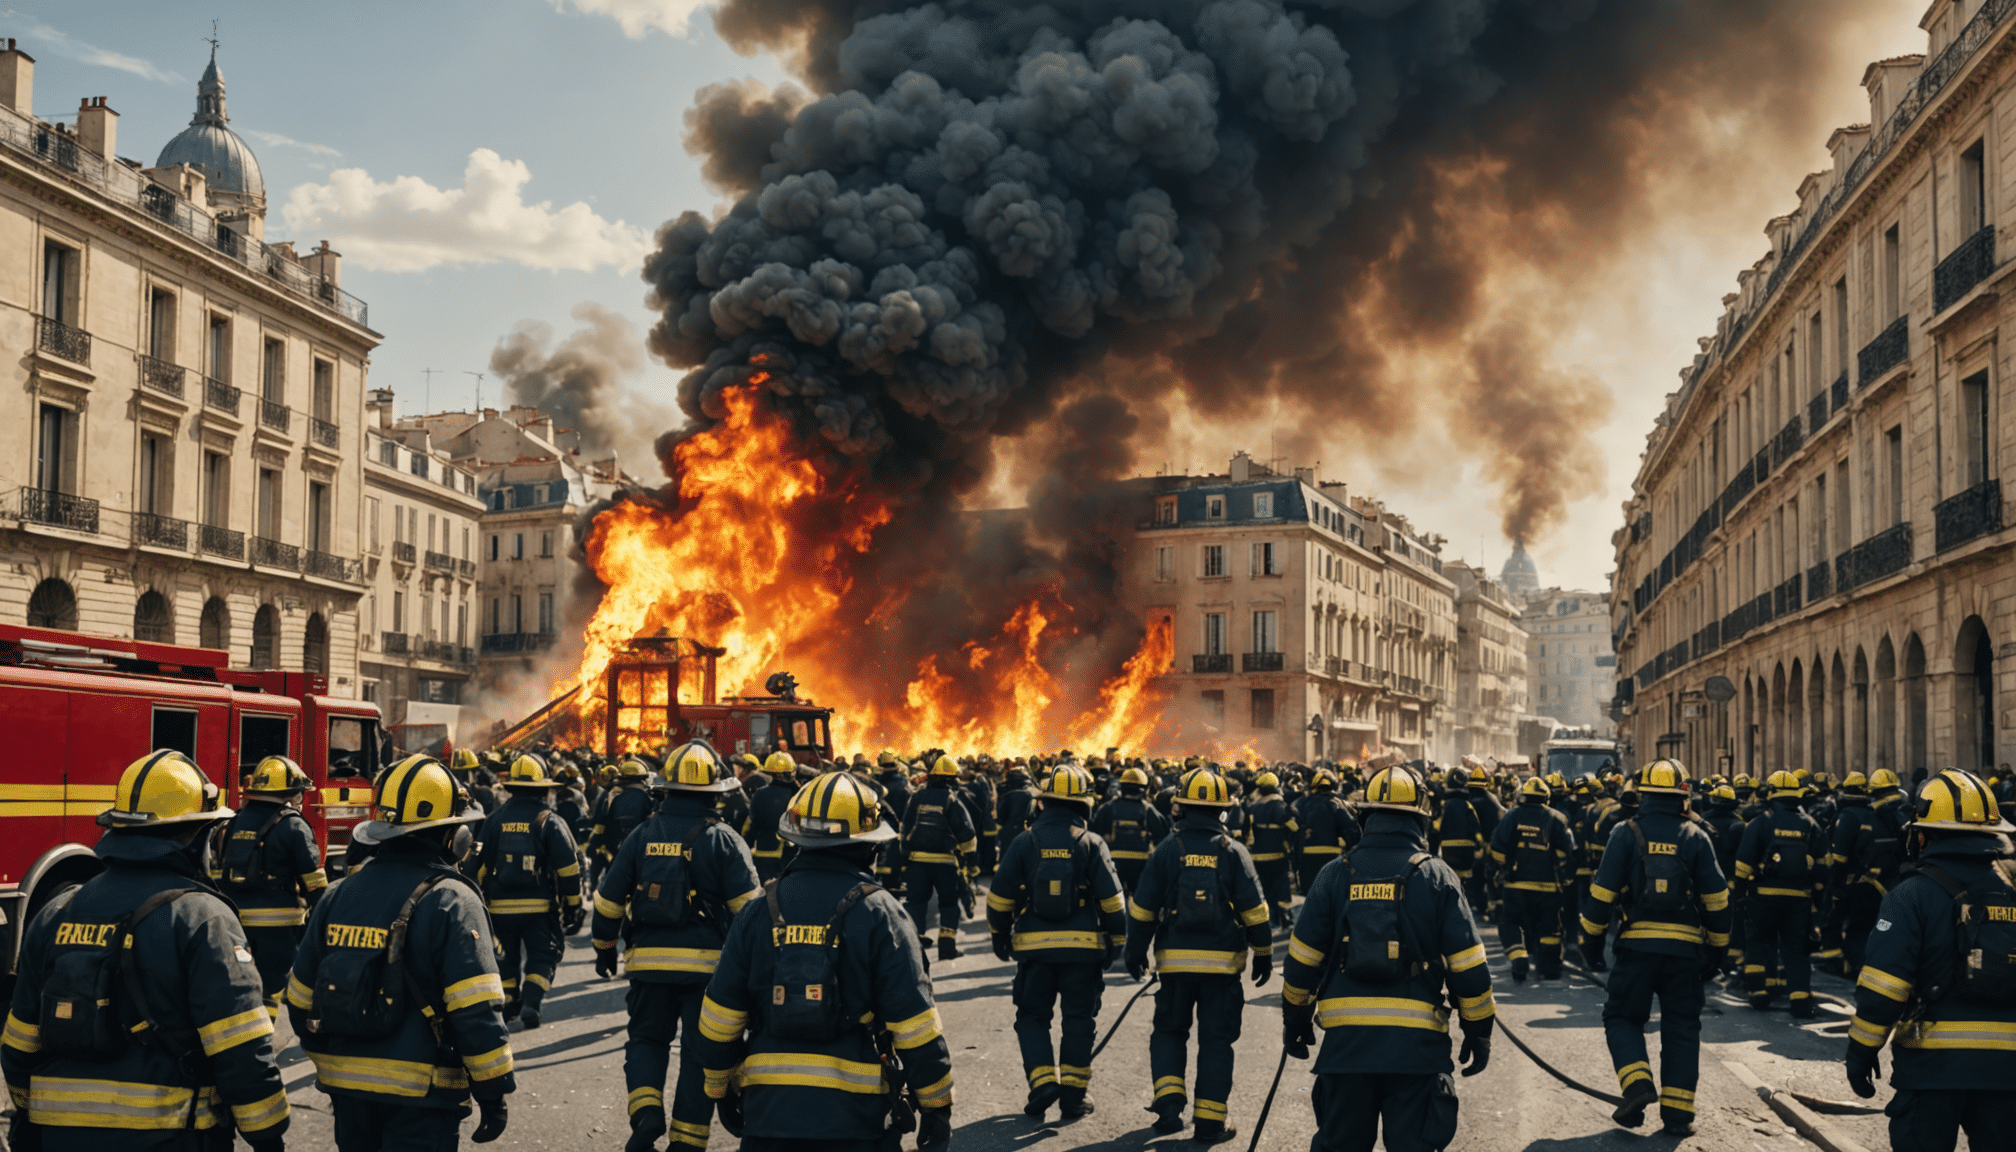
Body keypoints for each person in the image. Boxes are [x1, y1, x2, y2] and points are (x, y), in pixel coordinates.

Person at [2, 750, 291, 1152]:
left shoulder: (57, 911)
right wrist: (268, 1138)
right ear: (195, 837)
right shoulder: (203, 917)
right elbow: (240, 1048)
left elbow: (18, 1045)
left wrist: (31, 1121)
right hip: (172, 1139)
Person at [693, 772, 954, 1152]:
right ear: (869, 846)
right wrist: (936, 1105)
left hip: (769, 1118)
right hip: (858, 1123)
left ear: (795, 839)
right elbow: (914, 1025)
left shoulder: (757, 911)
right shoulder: (882, 913)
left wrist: (719, 1089)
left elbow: (720, 1018)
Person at [287, 754, 514, 1149]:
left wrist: (333, 1060)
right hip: (422, 1098)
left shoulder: (338, 894)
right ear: (452, 836)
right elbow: (476, 1010)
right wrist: (493, 1092)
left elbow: (300, 999)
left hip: (347, 1092)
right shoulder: (453, 899)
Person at [1282, 764, 1495, 1152]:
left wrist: (1295, 1018)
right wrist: (1479, 1030)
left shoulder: (1333, 875)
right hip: (1417, 1055)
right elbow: (1468, 967)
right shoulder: (1438, 876)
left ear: (1364, 816)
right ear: (1420, 819)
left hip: (1346, 1052)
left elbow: (1302, 961)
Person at [592, 740, 762, 1152]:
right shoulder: (723, 839)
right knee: (700, 1053)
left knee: (646, 1041)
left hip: (648, 967)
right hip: (708, 973)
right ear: (713, 794)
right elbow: (749, 914)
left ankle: (646, 1113)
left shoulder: (642, 834)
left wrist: (604, 947)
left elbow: (609, 899)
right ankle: (687, 1141)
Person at [1842, 768, 2016, 1151]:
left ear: (1923, 835)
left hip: (1931, 1070)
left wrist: (1861, 1052)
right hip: (2009, 1075)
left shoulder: (1912, 895)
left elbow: (1883, 989)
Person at [1579, 759, 1731, 1136]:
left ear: (1643, 795)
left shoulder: (1625, 832)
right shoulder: (1696, 836)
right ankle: (1678, 1117)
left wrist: (1591, 945)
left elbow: (1601, 896)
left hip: (1636, 949)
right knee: (1681, 1027)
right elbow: (1717, 901)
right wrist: (1717, 951)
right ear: (1683, 796)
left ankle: (1636, 1086)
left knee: (1622, 1017)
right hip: (1685, 953)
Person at [1124, 769, 1273, 1144]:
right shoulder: (1234, 852)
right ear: (1224, 810)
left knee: (1169, 1032)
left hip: (1174, 966)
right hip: (1222, 969)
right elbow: (1255, 912)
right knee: (1216, 1042)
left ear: (1181, 808)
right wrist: (1263, 952)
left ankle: (1169, 1104)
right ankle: (1210, 1121)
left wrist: (1134, 951)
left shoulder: (1166, 850)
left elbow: (1142, 909)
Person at [987, 764, 1128, 1119]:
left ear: (1044, 801)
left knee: (1032, 1016)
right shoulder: (1091, 842)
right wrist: (1117, 941)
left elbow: (1000, 897)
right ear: (1085, 804)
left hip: (1035, 953)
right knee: (1078, 1019)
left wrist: (999, 935)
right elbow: (1113, 902)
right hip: (1083, 951)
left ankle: (1042, 1082)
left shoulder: (1025, 841)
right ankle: (1074, 1097)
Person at [473, 753, 585, 1028]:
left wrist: (479, 905)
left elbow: (478, 867)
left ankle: (509, 1005)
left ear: (511, 788)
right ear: (544, 789)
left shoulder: (495, 819)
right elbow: (568, 869)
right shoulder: (549, 820)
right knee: (544, 955)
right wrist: (573, 905)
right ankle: (531, 1003)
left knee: (506, 958)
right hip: (539, 908)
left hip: (499, 908)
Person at [216, 754, 328, 1021]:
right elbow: (314, 882)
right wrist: (322, 920)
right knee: (271, 989)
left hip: (234, 924)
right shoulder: (293, 824)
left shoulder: (233, 821)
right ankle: (262, 1037)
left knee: (238, 984)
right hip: (278, 928)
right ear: (293, 793)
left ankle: (238, 1035)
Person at [1734, 771, 1823, 1017]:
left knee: (1759, 943)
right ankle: (1800, 1000)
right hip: (1799, 900)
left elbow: (1742, 864)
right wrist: (1817, 899)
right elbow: (1823, 865)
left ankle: (1759, 992)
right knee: (1796, 949)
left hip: (1763, 896)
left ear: (1770, 794)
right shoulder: (1810, 824)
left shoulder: (1760, 822)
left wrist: (1740, 895)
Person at [1487, 776, 1575, 982]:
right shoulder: (1557, 818)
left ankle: (1519, 958)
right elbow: (1568, 852)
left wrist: (1504, 867)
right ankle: (1549, 968)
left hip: (1515, 885)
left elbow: (1497, 848)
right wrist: (1565, 880)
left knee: (1510, 923)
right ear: (1546, 798)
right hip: (1548, 887)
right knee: (1549, 928)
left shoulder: (1512, 816)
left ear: (1523, 796)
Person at [900, 755, 979, 962]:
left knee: (916, 902)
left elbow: (905, 827)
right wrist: (971, 861)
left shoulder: (916, 797)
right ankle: (947, 947)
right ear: (950, 779)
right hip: (944, 863)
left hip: (917, 862)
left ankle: (914, 944)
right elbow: (966, 832)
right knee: (949, 904)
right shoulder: (951, 799)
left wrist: (905, 856)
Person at [1090, 767, 1169, 896]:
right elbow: (1163, 836)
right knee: (1139, 898)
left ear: (1122, 786)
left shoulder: (1108, 808)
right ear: (1144, 788)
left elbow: (1094, 833)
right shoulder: (1149, 810)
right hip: (1141, 865)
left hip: (1113, 863)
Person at [1242, 771, 1299, 929]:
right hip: (1277, 855)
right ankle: (1285, 919)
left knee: (1265, 889)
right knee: (1281, 888)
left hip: (1257, 857)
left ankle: (1269, 920)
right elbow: (1292, 827)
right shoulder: (1278, 804)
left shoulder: (1253, 806)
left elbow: (1245, 831)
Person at [1294, 770, 1361, 893]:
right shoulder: (1338, 803)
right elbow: (1352, 832)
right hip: (1333, 858)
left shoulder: (1301, 803)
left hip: (1307, 859)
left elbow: (1295, 832)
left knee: (1311, 895)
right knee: (1332, 895)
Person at [746, 751, 799, 883]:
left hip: (762, 860)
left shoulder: (760, 795)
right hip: (788, 861)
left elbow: (753, 828)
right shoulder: (797, 797)